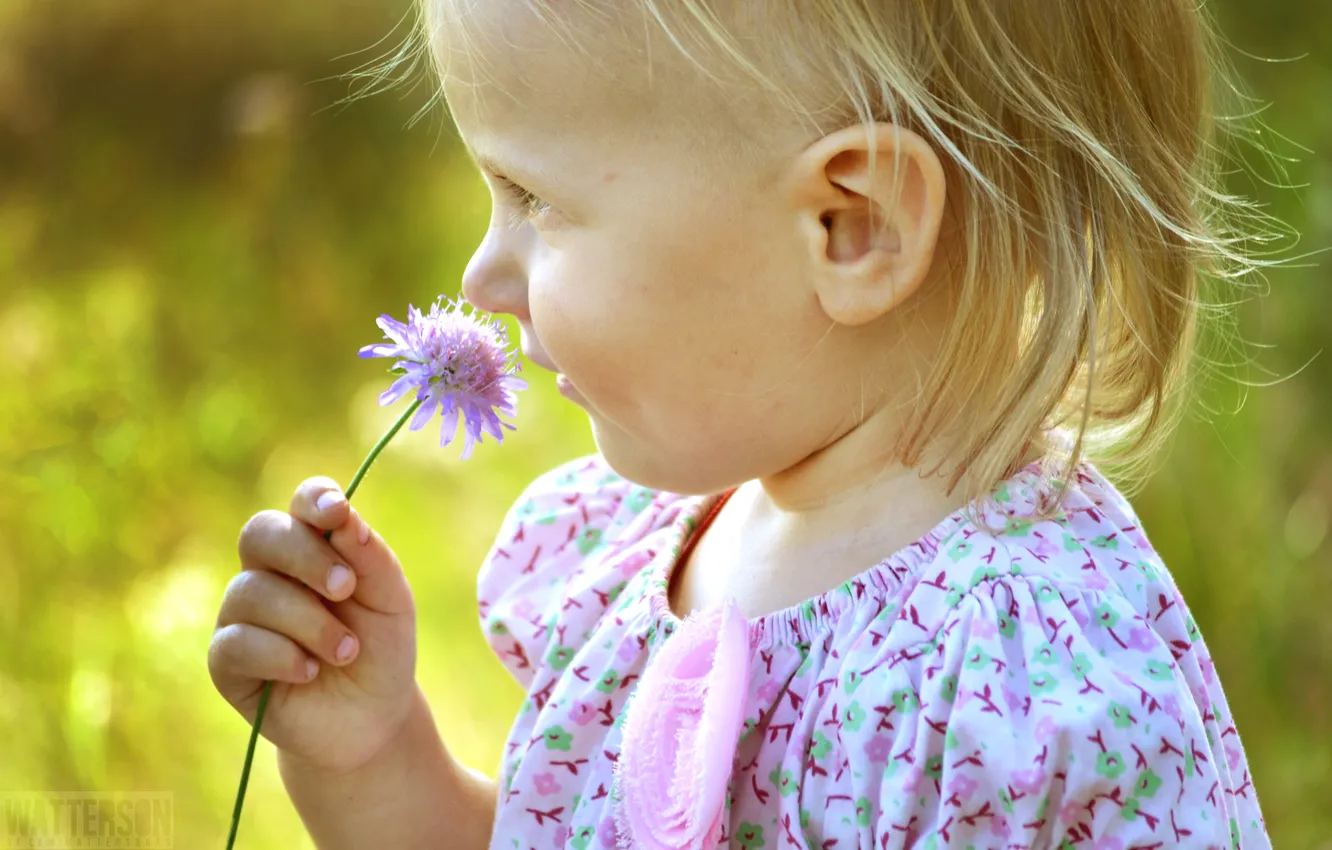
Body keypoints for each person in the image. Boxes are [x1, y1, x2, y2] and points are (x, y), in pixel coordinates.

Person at [209, 1, 1278, 846]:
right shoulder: (645, 546)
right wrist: (374, 760)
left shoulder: (1016, 693)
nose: (483, 275)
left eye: (533, 200)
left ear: (850, 228)